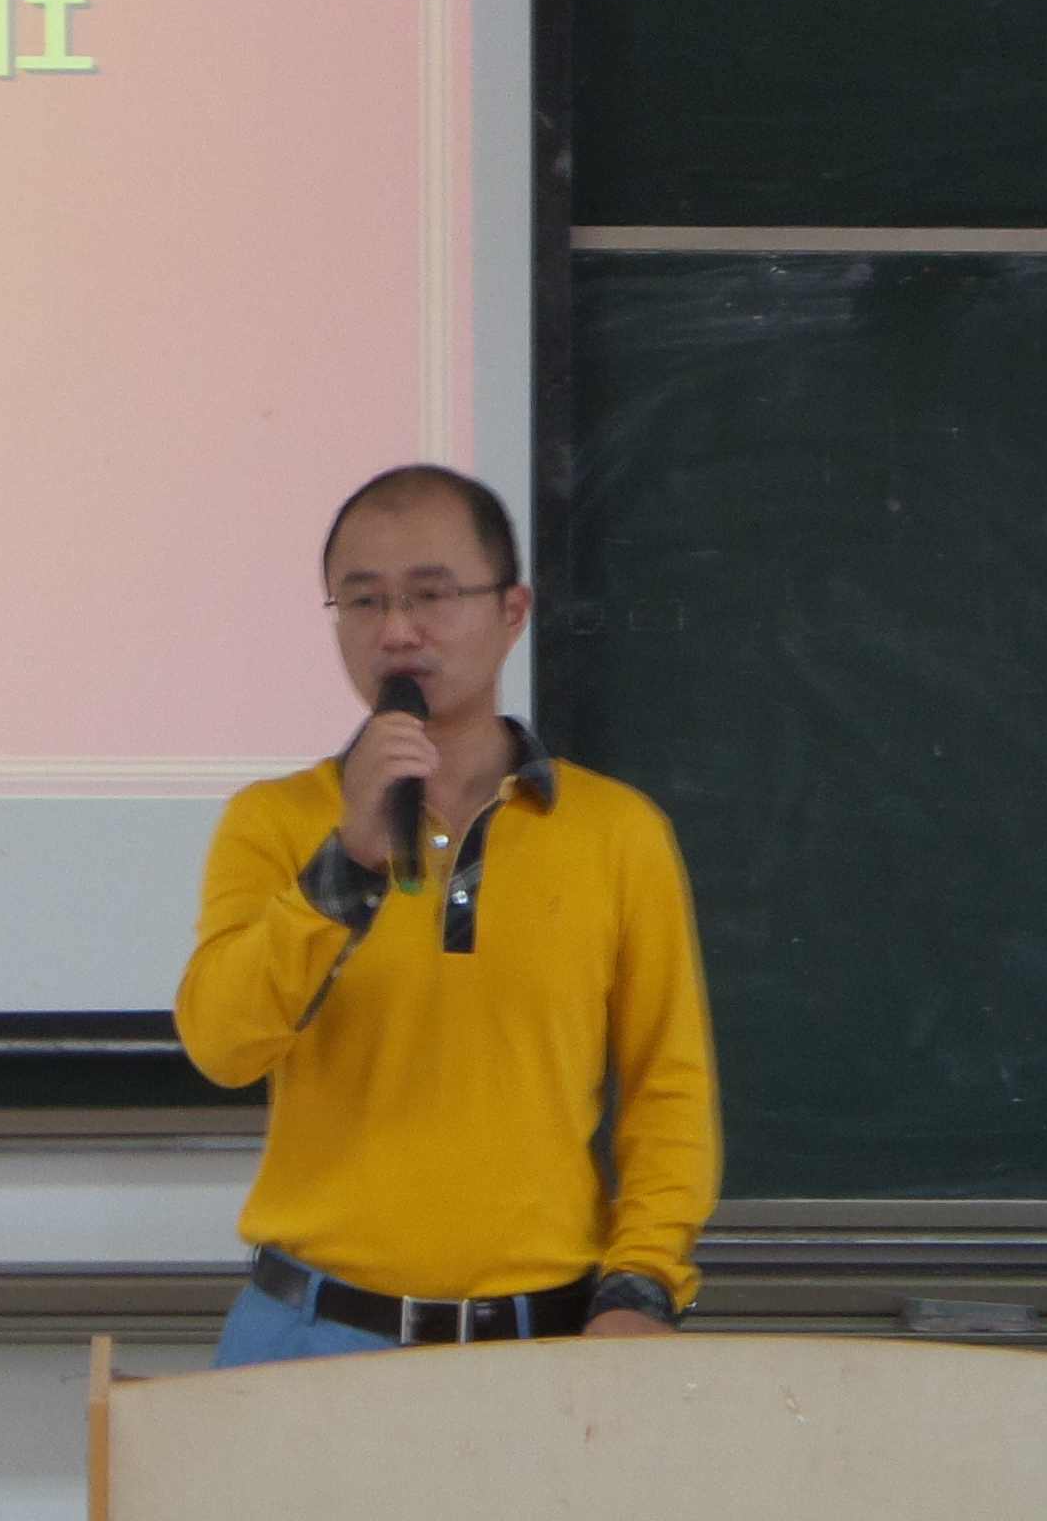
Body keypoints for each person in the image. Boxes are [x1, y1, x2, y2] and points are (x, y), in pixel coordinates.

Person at [175, 464, 719, 1367]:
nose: (397, 631)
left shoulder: (616, 833)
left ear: (512, 610)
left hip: (543, 1339)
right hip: (308, 1336)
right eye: (363, 601)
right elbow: (221, 1045)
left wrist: (644, 1283)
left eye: (431, 595)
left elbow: (669, 1088)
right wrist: (345, 863)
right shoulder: (273, 822)